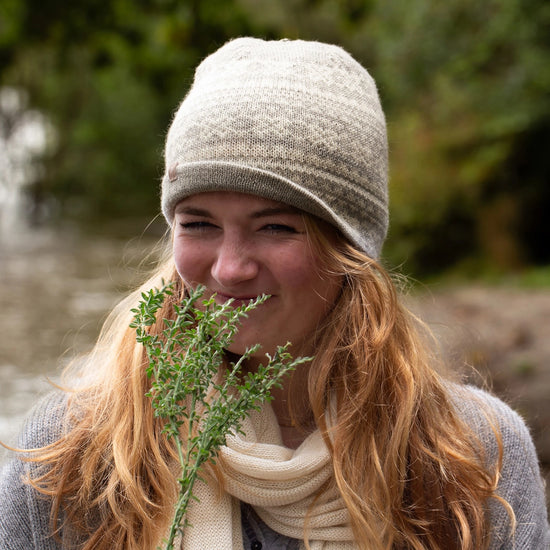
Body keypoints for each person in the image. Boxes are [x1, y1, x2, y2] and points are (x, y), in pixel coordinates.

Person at [0, 37, 548, 550]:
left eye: (276, 228)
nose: (230, 268)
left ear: (350, 249)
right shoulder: (75, 453)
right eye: (198, 224)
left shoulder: (472, 455)